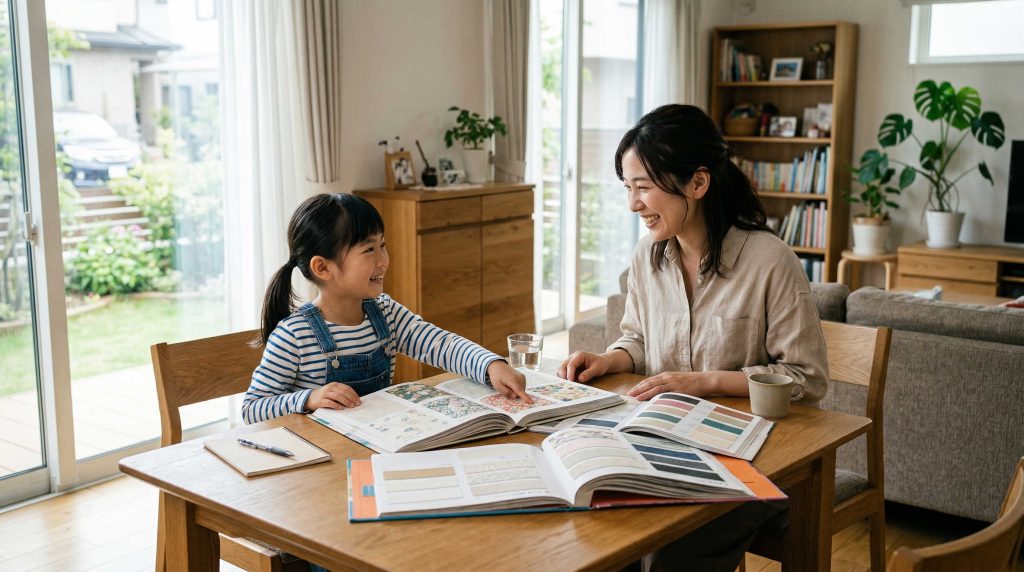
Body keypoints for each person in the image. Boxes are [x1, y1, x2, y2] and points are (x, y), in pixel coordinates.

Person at [558, 104, 828, 571]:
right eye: (628, 188)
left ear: (698, 183)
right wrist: (610, 359)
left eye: (644, 187)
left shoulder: (770, 261)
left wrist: (703, 382)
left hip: (757, 460)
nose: (633, 204)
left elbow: (805, 377)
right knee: (601, 535)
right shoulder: (648, 256)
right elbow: (638, 339)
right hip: (665, 445)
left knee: (672, 556)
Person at [242, 193, 530, 426]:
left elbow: (441, 344)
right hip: (325, 459)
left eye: (383, 245)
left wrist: (491, 365)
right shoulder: (294, 335)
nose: (383, 260)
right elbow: (253, 409)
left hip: (379, 446)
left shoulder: (385, 313)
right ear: (323, 267)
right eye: (369, 250)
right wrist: (308, 398)